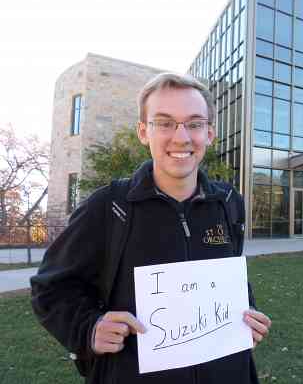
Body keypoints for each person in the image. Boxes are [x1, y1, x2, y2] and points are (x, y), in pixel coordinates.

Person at [31, 72, 271, 383]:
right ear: (144, 131)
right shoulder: (110, 207)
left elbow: (229, 277)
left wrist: (247, 314)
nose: (181, 137)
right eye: (165, 122)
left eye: (195, 123)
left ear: (210, 133)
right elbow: (50, 287)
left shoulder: (228, 203)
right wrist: (89, 329)